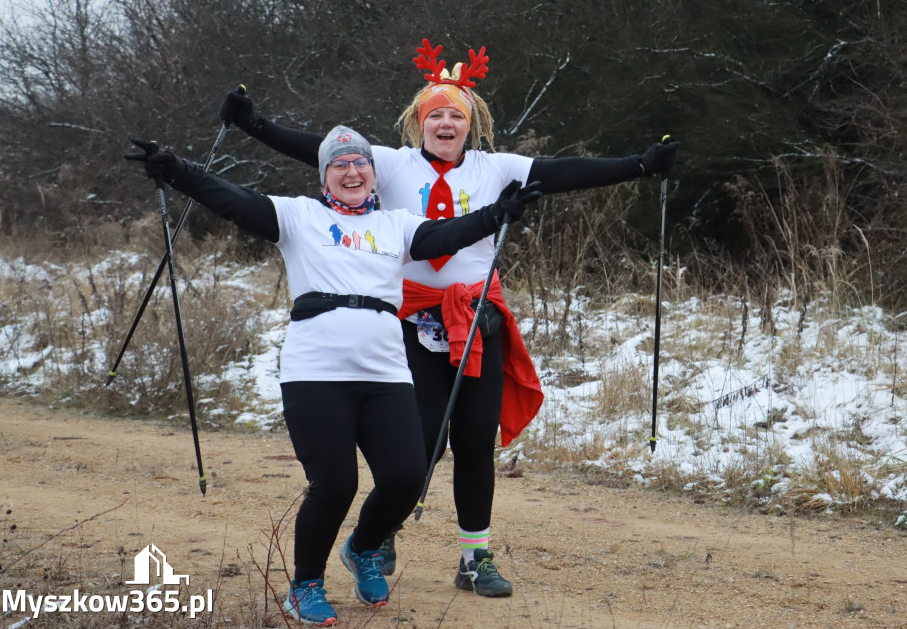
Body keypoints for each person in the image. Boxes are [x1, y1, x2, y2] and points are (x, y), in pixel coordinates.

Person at [218, 39, 680, 597]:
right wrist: (253, 124)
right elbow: (319, 151)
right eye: (434, 114)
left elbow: (564, 171)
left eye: (454, 116)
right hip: (409, 320)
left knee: (476, 441)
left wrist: (638, 166)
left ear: (471, 125)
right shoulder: (389, 163)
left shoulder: (497, 168)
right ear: (418, 122)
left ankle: (473, 557)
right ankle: (378, 533)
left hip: (476, 317)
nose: (444, 122)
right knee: (421, 441)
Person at [124, 125, 541, 626]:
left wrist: (499, 213)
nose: (351, 171)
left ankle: (364, 547)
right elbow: (233, 200)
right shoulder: (299, 216)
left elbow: (446, 235)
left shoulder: (398, 224)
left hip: (386, 375)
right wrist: (179, 171)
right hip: (315, 374)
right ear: (325, 175)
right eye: (339, 164)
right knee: (336, 483)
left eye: (360, 163)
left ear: (373, 173)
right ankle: (305, 586)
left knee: (407, 476)